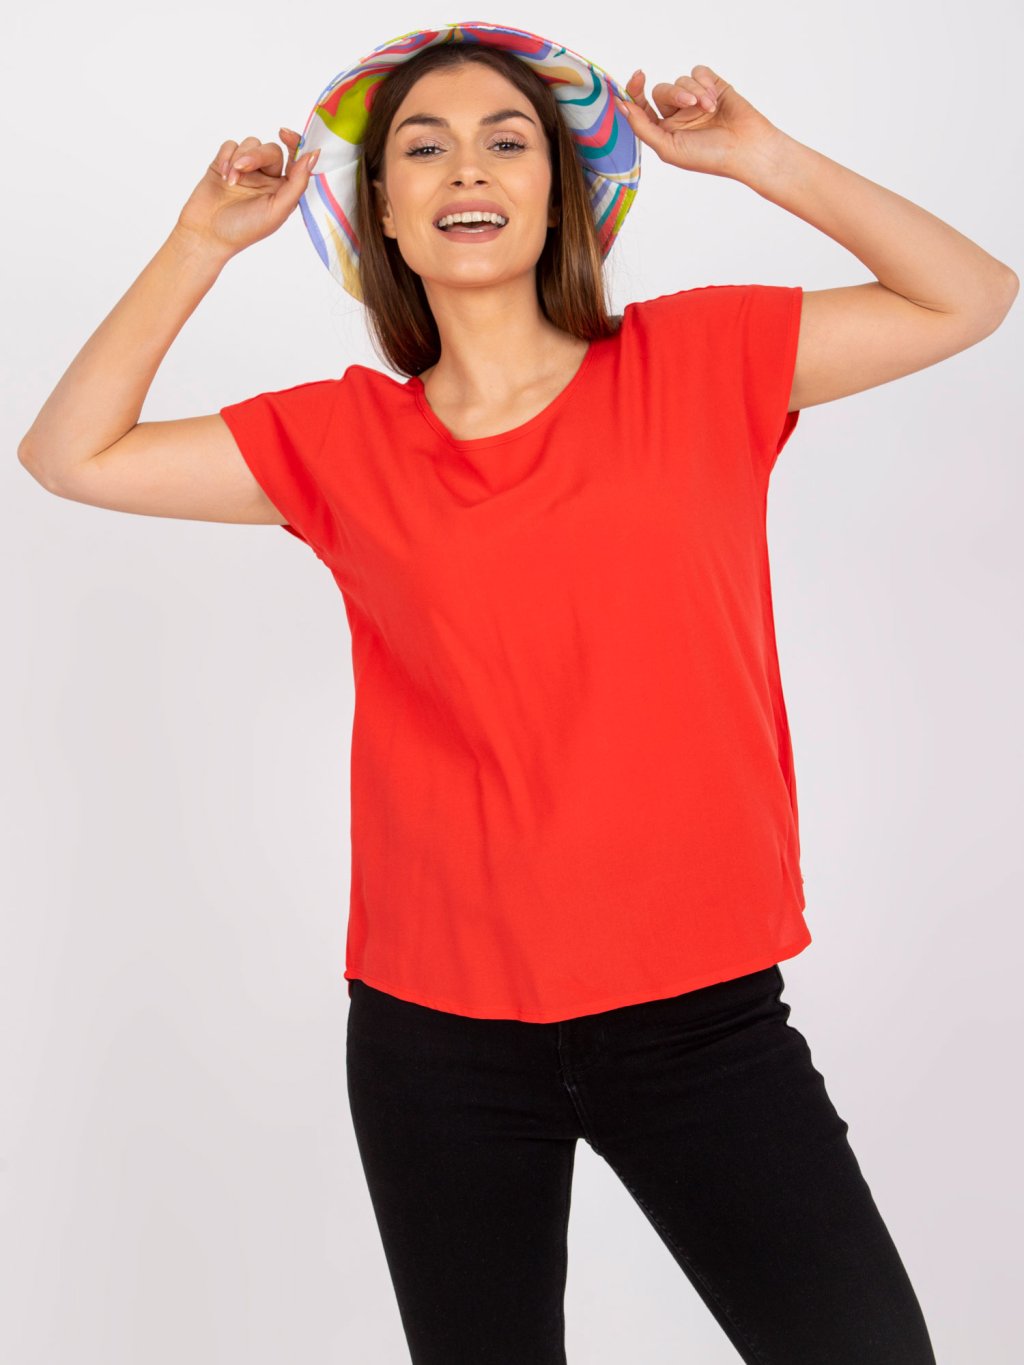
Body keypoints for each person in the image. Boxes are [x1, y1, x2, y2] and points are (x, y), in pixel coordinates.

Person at [18, 19, 1016, 1365]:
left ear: (561, 191)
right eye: (423, 149)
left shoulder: (700, 361)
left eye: (507, 140)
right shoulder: (340, 440)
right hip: (438, 1044)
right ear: (383, 211)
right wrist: (201, 241)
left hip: (699, 1018)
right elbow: (69, 453)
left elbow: (970, 295)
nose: (466, 168)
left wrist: (763, 157)